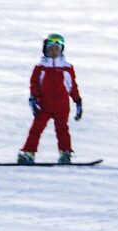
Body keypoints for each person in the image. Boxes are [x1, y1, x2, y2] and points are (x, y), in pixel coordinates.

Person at [18, 34, 83, 165]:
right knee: (35, 129)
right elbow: (34, 85)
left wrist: (77, 101)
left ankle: (65, 153)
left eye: (56, 49)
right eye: (50, 49)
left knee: (62, 130)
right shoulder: (40, 67)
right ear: (46, 50)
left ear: (61, 50)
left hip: (61, 106)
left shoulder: (66, 67)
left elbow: (72, 86)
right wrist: (33, 99)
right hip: (44, 106)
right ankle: (28, 153)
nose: (53, 52)